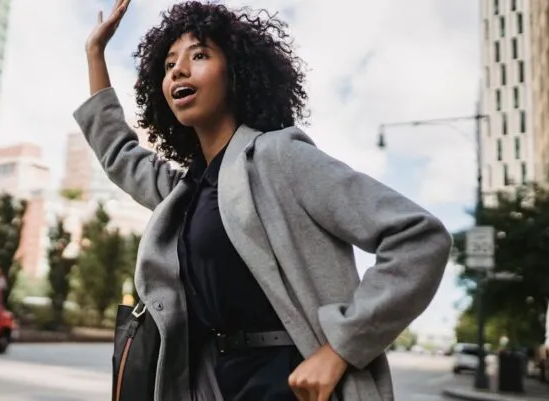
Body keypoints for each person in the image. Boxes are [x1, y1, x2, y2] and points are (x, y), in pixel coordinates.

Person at [75, 1, 453, 400]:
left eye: (199, 55)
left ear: (236, 72)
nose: (179, 71)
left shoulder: (277, 157)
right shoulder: (185, 192)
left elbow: (419, 237)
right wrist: (95, 55)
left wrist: (341, 347)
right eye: (169, 65)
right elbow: (119, 154)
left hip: (291, 384)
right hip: (217, 382)